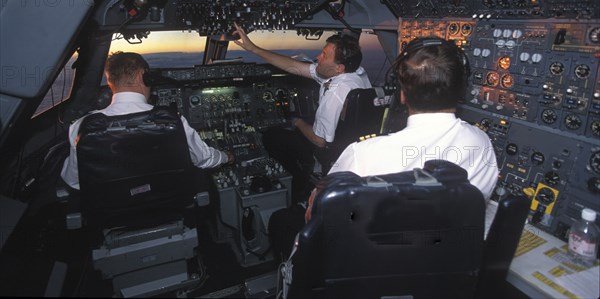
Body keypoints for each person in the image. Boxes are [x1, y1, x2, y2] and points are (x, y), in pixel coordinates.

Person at [271, 36, 498, 262]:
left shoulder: (362, 155)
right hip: (443, 270)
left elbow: (316, 213)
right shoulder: (482, 144)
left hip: (372, 267)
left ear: (402, 94)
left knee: (282, 222)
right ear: (461, 89)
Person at [231, 22, 371, 201]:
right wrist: (253, 48)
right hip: (351, 146)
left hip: (329, 152)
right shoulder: (356, 72)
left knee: (272, 136)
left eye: (324, 55)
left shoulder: (335, 92)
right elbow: (294, 67)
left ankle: (299, 176)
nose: (318, 57)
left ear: (339, 68)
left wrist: (297, 122)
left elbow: (319, 140)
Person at [60, 51, 233, 190]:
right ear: (143, 76)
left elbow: (74, 181)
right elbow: (203, 159)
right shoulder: (171, 120)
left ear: (109, 79)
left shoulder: (82, 126)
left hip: (113, 214)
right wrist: (227, 157)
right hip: (168, 205)